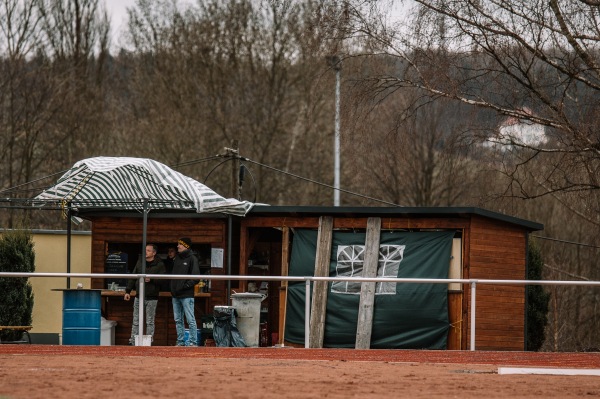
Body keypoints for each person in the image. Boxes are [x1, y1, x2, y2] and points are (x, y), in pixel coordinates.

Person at [124, 243, 166, 345]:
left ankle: (148, 341)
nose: (146, 252)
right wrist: (128, 291)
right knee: (136, 320)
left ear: (154, 253)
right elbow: (134, 276)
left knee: (150, 321)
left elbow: (163, 280)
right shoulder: (140, 262)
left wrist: (152, 279)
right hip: (139, 296)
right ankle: (133, 341)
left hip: (152, 297)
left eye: (148, 250)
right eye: (145, 250)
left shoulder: (160, 265)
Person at [171, 237, 200, 346]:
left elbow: (196, 277)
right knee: (178, 320)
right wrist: (173, 288)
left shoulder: (192, 258)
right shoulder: (177, 258)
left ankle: (193, 342)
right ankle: (180, 341)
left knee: (190, 319)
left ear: (186, 246)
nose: (178, 246)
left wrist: (185, 286)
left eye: (180, 244)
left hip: (186, 294)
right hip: (175, 294)